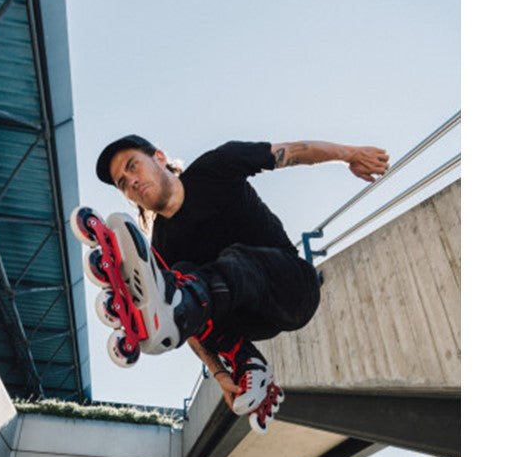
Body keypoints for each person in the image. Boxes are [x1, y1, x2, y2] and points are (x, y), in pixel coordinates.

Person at [94, 135, 389, 421]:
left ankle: (186, 295)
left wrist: (351, 155)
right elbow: (187, 324)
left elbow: (296, 151)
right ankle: (247, 361)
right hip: (248, 321)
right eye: (122, 183)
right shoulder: (161, 247)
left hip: (290, 287)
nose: (131, 181)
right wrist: (221, 374)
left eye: (133, 166)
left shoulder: (216, 168)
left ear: (159, 157)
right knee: (180, 279)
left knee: (225, 264)